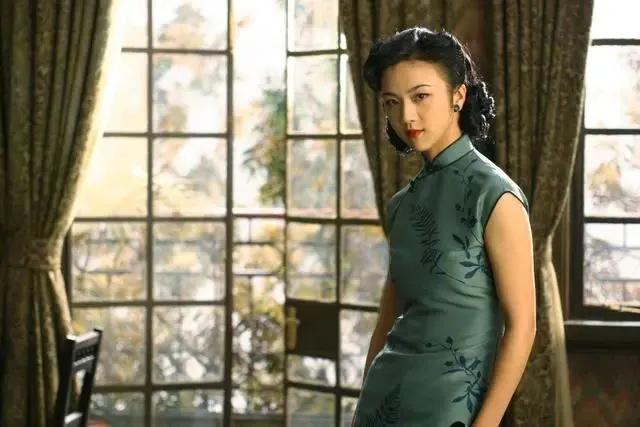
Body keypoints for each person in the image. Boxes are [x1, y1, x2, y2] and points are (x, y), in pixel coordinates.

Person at [351, 27, 536, 427]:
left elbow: (523, 327)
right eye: (392, 102)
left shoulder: (495, 195)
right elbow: (388, 318)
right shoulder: (402, 205)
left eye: (420, 96)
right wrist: (365, 397)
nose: (406, 116)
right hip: (383, 401)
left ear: (458, 95)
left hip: (451, 410)